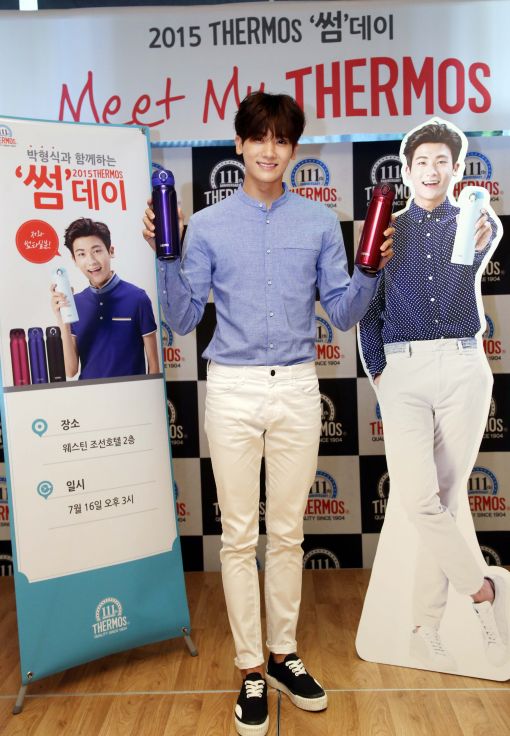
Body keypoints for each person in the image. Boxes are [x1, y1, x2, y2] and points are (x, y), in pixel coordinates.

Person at [144, 91, 393, 736]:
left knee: (286, 534)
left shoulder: (318, 222)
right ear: (240, 144)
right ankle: (250, 668)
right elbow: (180, 319)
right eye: (259, 137)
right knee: (238, 537)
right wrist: (165, 256)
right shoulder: (206, 225)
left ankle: (284, 655)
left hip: (297, 388)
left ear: (294, 149)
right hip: (231, 388)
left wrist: (371, 268)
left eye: (282, 139)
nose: (270, 150)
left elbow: (343, 312)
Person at [359, 120, 507, 671]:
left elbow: (484, 237)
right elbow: (368, 310)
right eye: (422, 161)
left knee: (441, 501)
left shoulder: (472, 220)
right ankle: (482, 591)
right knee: (420, 499)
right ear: (407, 169)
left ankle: (425, 627)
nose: (431, 170)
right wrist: (382, 373)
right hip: (402, 371)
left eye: (442, 161)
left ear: (456, 168)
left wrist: (480, 221)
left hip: (463, 367)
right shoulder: (386, 230)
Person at [51, 217, 159, 380]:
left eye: (97, 251)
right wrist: (62, 319)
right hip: (88, 394)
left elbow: (154, 366)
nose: (91, 261)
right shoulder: (76, 303)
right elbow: (70, 370)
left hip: (130, 394)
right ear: (74, 260)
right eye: (81, 254)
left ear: (111, 251)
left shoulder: (137, 298)